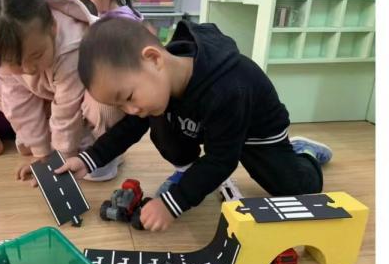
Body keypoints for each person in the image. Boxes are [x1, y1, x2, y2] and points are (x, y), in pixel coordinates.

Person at [55, 17, 332, 232]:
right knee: (158, 123)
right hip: (205, 125)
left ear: (154, 59)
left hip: (256, 133)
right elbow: (130, 127)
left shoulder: (226, 87)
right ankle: (189, 173)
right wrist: (89, 159)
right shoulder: (158, 83)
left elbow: (222, 160)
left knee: (295, 190)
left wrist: (172, 204)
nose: (131, 110)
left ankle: (303, 152)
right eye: (122, 106)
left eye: (128, 97)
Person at [0, 0, 122, 181]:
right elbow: (19, 104)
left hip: (93, 92)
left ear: (53, 28)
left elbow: (67, 109)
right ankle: (63, 142)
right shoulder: (1, 51)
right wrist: (41, 153)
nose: (28, 69)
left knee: (102, 106)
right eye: (16, 63)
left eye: (36, 55)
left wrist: (62, 158)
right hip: (52, 93)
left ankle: (104, 149)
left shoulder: (72, 46)